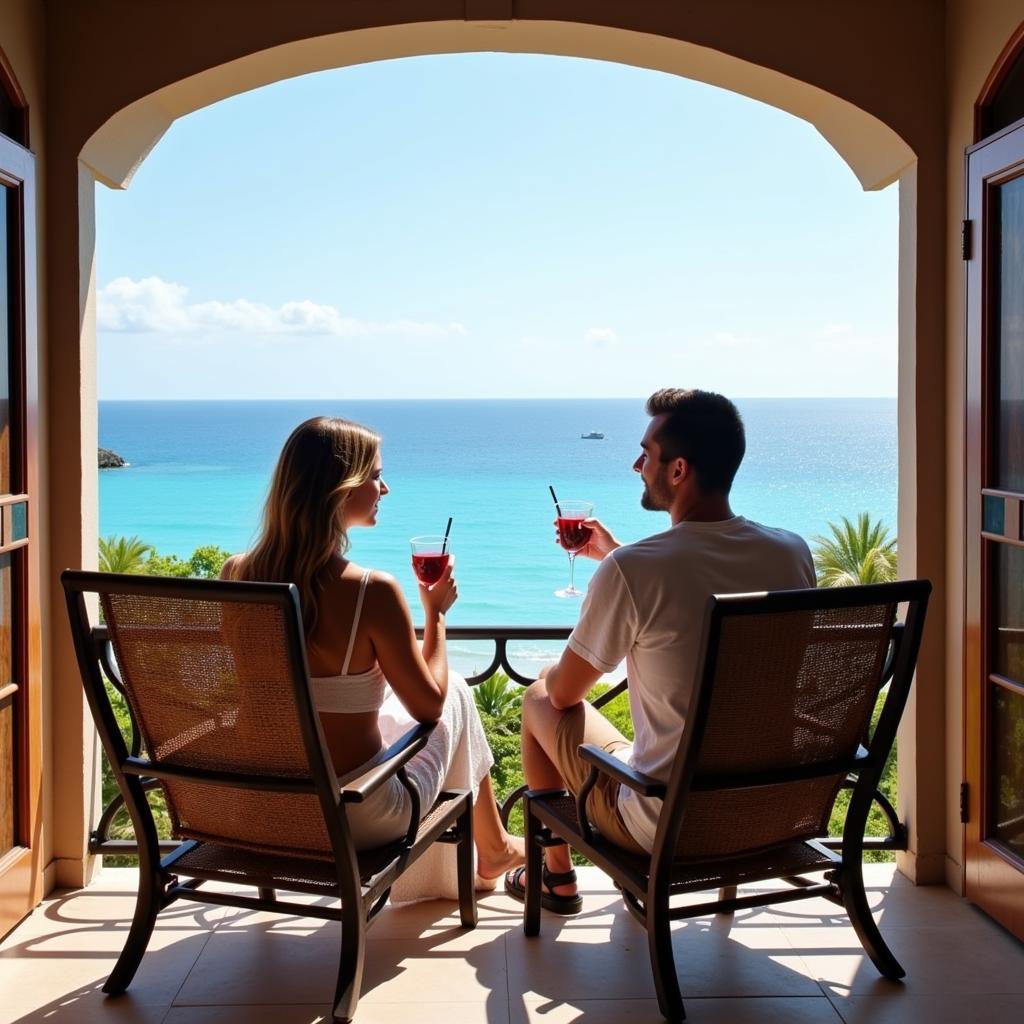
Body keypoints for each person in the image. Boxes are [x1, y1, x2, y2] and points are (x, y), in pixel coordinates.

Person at [505, 388, 816, 914]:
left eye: (646, 453)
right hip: (773, 807)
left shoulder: (635, 571)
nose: (636, 465)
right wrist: (618, 556)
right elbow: (695, 579)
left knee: (538, 697)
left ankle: (557, 879)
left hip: (667, 823)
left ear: (677, 470)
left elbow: (564, 696)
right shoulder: (791, 551)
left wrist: (612, 576)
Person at [222, 416, 523, 896]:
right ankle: (494, 849)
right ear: (340, 489)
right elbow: (428, 705)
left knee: (392, 709)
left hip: (264, 809)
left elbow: (281, 691)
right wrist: (436, 615)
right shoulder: (370, 591)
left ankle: (494, 849)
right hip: (354, 816)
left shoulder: (236, 575)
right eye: (376, 475)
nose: (386, 487)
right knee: (458, 694)